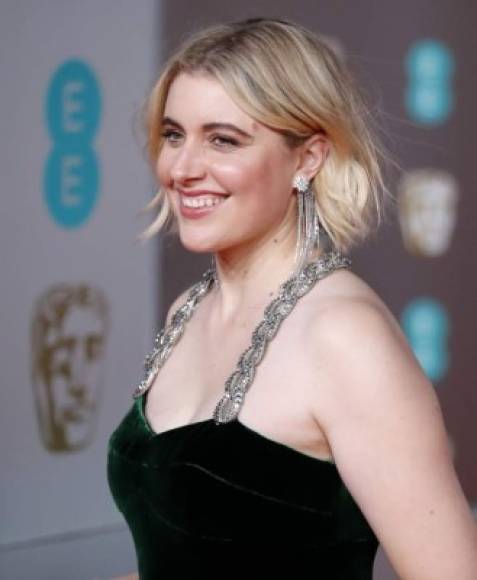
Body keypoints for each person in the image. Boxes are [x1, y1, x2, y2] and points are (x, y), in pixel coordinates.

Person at [107, 17, 477, 579]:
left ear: (307, 158)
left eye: (223, 139)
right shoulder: (188, 307)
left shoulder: (344, 337)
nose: (182, 168)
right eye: (174, 134)